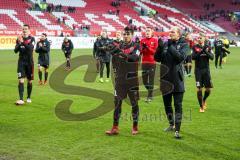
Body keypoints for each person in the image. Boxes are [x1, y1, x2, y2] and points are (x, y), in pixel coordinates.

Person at [154, 27, 188, 139]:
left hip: (177, 80)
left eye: (173, 32)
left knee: (178, 105)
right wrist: (159, 48)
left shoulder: (184, 45)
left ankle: (177, 130)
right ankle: (171, 124)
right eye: (170, 32)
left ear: (178, 34)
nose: (170, 33)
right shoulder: (165, 44)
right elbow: (157, 58)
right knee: (167, 105)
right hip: (165, 80)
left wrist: (170, 46)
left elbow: (180, 58)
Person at [105, 27, 140, 135]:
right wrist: (115, 70)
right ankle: (115, 127)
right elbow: (114, 61)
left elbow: (135, 58)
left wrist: (123, 54)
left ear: (132, 35)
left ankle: (135, 126)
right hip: (120, 80)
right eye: (124, 34)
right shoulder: (118, 46)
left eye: (128, 34)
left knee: (134, 103)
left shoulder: (136, 46)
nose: (125, 36)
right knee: (117, 103)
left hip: (132, 79)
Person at [192, 33, 214, 113]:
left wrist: (205, 51)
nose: (199, 39)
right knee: (199, 89)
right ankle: (201, 106)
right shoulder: (195, 47)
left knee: (208, 89)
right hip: (198, 70)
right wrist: (201, 51)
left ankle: (204, 100)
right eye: (198, 38)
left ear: (204, 38)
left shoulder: (208, 47)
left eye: (200, 38)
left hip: (206, 70)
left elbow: (212, 57)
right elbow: (193, 57)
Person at [14, 24, 35, 105]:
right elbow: (15, 51)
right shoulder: (19, 39)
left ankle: (28, 97)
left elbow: (30, 49)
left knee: (29, 81)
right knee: (21, 80)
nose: (24, 30)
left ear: (29, 30)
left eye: (26, 29)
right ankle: (21, 99)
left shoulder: (32, 38)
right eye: (23, 29)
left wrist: (22, 42)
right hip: (21, 62)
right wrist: (19, 43)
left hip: (29, 63)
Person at [140, 27, 158, 102]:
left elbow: (154, 52)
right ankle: (151, 92)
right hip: (144, 62)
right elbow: (140, 52)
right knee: (144, 81)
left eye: (149, 31)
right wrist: (143, 48)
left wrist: (147, 47)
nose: (147, 32)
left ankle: (149, 96)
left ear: (152, 32)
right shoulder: (142, 40)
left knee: (151, 80)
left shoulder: (155, 40)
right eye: (146, 31)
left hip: (152, 62)